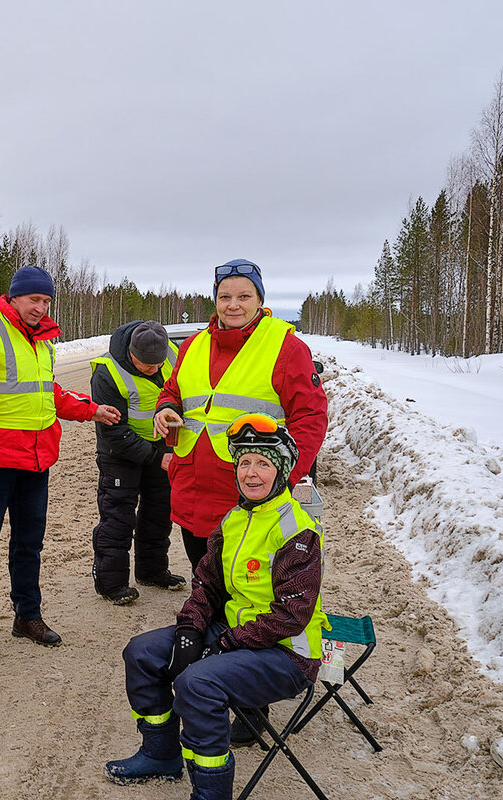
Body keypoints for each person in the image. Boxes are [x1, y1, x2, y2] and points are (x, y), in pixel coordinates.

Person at [103, 413, 327, 800]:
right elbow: (206, 583)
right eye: (244, 462)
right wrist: (191, 629)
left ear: (282, 470)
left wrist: (225, 645)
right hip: (234, 635)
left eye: (263, 463)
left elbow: (291, 616)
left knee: (198, 683)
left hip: (287, 654)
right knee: (141, 653)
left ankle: (211, 794)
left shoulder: (297, 529)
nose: (251, 473)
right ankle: (161, 755)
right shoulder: (235, 519)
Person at [0, 265, 121, 656]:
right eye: (34, 299)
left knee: (29, 544)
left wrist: (91, 410)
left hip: (36, 459)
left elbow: (48, 392)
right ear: (13, 297)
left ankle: (26, 615)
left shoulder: (43, 341)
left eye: (46, 301)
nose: (41, 308)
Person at [153, 259, 327, 577]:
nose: (233, 305)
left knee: (245, 581)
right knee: (203, 573)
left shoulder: (286, 348)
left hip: (246, 492)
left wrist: (282, 479)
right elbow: (172, 392)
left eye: (244, 297)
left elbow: (310, 418)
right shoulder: (193, 345)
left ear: (260, 300)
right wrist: (166, 408)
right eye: (224, 297)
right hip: (193, 488)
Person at [89, 320, 185, 605]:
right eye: (146, 365)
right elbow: (114, 433)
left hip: (161, 447)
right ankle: (111, 583)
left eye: (156, 365)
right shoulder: (107, 373)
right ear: (131, 352)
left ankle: (152, 570)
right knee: (118, 517)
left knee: (159, 512)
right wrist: (158, 456)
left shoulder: (172, 354)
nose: (154, 370)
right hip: (119, 453)